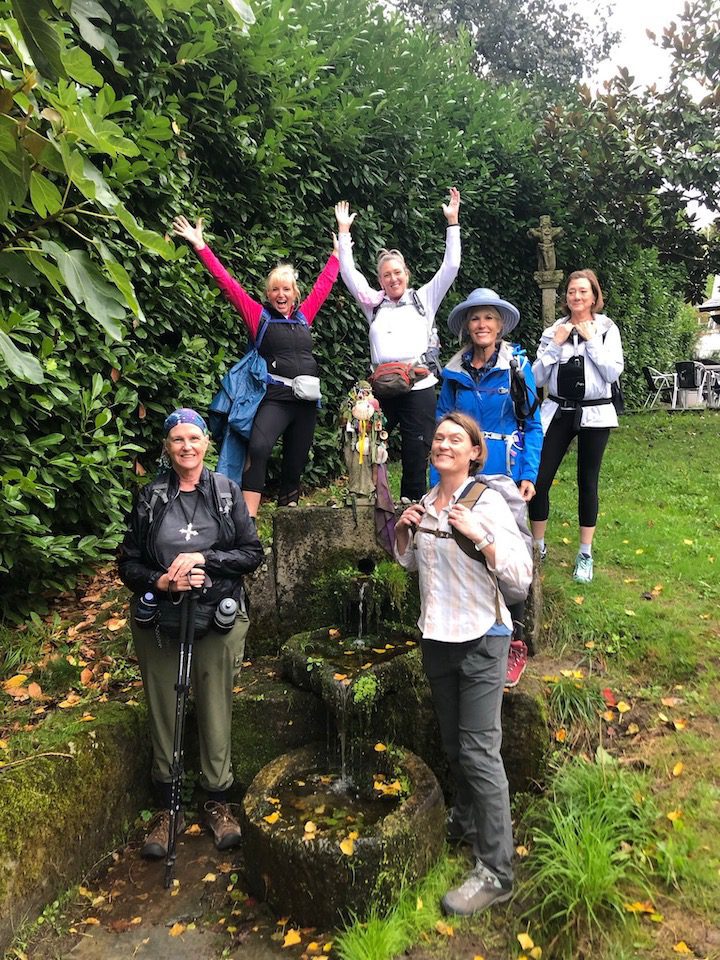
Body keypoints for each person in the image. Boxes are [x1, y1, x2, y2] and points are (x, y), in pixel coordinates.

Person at [394, 412, 532, 916]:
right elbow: (411, 563)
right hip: (437, 637)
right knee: (455, 746)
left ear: (475, 452)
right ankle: (468, 821)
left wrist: (483, 536)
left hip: (482, 639)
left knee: (479, 751)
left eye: (456, 439)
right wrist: (405, 534)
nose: (443, 444)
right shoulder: (426, 503)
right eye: (438, 438)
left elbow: (519, 575)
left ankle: (496, 870)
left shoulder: (489, 502)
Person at [118, 408, 264, 858]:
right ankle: (168, 807)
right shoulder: (151, 497)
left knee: (214, 701)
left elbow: (252, 552)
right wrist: (161, 581)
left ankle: (217, 801)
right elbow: (127, 563)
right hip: (162, 617)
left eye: (194, 438)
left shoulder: (226, 492)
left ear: (206, 443)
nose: (187, 447)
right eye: (178, 439)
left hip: (216, 614)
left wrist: (205, 562)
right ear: (168, 447)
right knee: (165, 702)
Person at [172, 214, 340, 517]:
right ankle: (247, 519)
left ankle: (289, 516)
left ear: (295, 294)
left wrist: (338, 252)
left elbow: (324, 285)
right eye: (275, 289)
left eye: (286, 289)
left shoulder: (304, 317)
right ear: (268, 294)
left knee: (296, 459)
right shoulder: (259, 317)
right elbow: (229, 286)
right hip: (275, 397)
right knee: (259, 448)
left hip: (306, 402)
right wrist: (200, 246)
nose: (281, 294)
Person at [436, 288, 542, 686]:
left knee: (506, 551)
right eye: (475, 319)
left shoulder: (517, 367)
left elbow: (532, 424)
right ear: (467, 326)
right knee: (461, 549)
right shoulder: (453, 372)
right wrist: (437, 481)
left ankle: (513, 641)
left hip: (503, 474)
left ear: (500, 326)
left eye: (489, 319)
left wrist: (528, 474)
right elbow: (443, 428)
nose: (482, 325)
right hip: (461, 474)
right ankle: (464, 635)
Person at [334, 189, 461, 501]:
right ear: (380, 280)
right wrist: (344, 232)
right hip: (383, 387)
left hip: (418, 385)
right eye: (386, 275)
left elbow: (451, 267)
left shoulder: (423, 299)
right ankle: (371, 500)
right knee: (368, 444)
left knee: (418, 448)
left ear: (407, 274)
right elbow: (349, 275)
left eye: (397, 273)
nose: (392, 279)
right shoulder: (373, 304)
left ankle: (413, 507)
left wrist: (453, 222)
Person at [528, 269, 624, 583]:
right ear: (566, 297)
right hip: (557, 410)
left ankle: (585, 553)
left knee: (587, 482)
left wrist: (591, 341)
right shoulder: (552, 331)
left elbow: (611, 373)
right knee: (539, 480)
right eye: (572, 292)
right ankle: (537, 547)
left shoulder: (607, 329)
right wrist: (555, 346)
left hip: (596, 413)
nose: (577, 297)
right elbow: (536, 378)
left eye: (583, 292)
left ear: (594, 296)